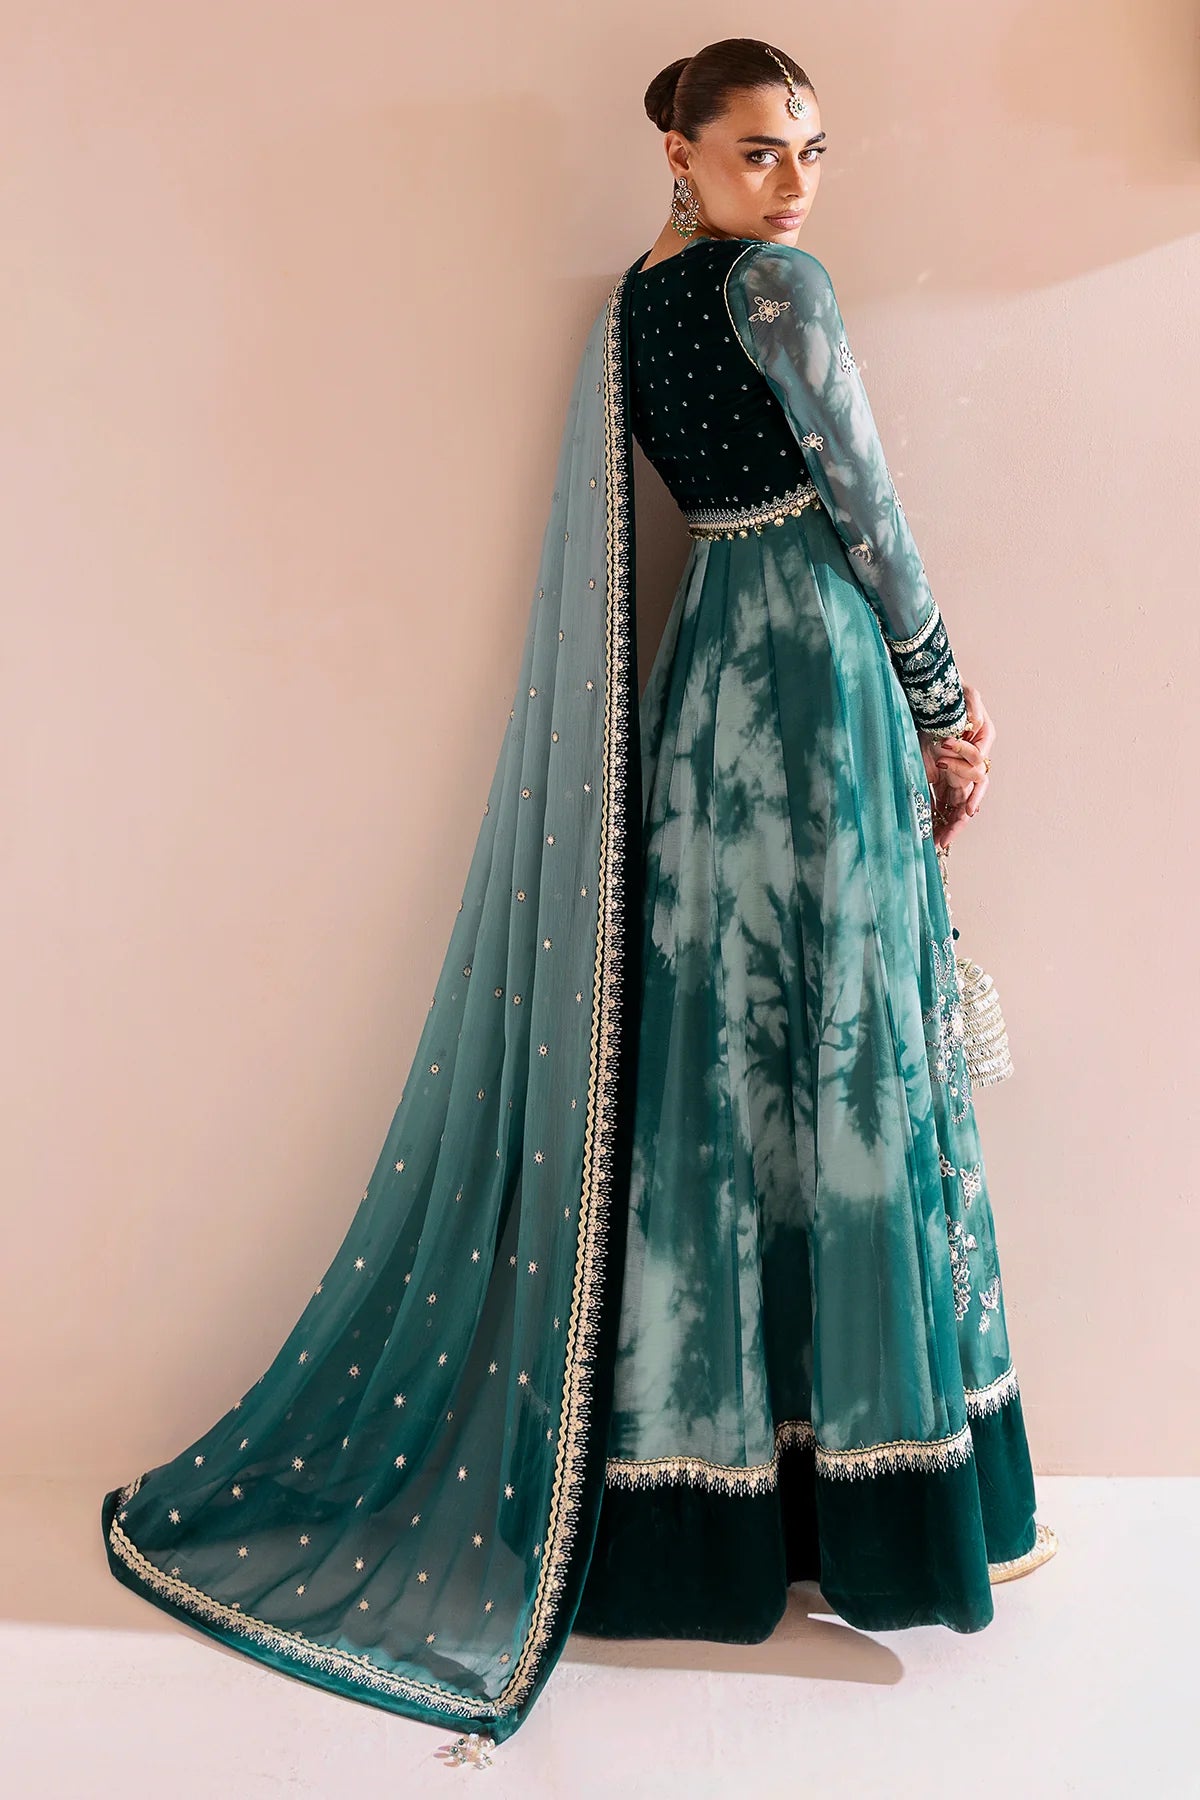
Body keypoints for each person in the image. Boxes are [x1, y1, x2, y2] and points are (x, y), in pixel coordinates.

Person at [101, 37, 1056, 1761]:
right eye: (758, 149)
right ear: (678, 149)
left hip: (707, 694)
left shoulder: (628, 317)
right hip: (819, 683)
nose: (794, 182)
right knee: (849, 1069)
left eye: (812, 150)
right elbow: (866, 502)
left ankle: (718, 1520)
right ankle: (883, 1512)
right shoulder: (780, 291)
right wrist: (941, 701)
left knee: (721, 1082)